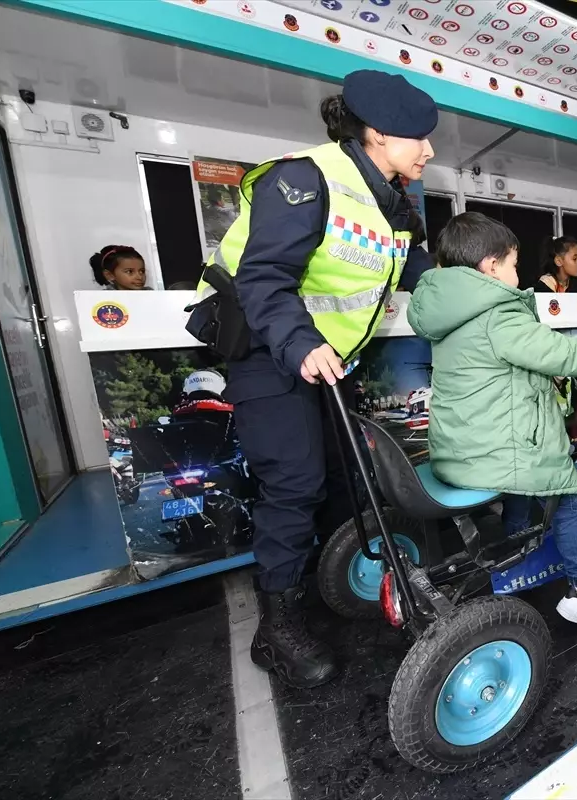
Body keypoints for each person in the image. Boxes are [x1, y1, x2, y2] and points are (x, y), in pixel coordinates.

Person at [187, 69, 438, 689]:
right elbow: (264, 276)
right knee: (293, 482)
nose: (429, 150)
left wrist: (489, 289)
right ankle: (276, 629)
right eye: (419, 138)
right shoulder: (304, 178)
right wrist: (301, 343)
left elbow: (419, 275)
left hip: (327, 359)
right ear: (378, 134)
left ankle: (326, 587)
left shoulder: (394, 203)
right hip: (268, 349)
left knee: (338, 473)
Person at [407, 212, 577, 629]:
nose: (519, 273)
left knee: (525, 473)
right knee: (568, 491)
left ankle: (516, 555)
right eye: (514, 264)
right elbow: (564, 354)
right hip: (491, 452)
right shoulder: (497, 313)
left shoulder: (449, 311)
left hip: (460, 449)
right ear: (490, 266)